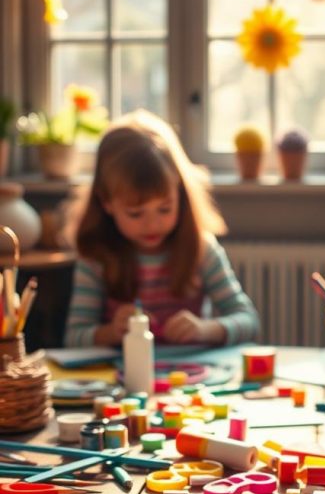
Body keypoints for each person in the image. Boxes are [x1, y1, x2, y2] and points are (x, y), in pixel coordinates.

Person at [64, 109, 260, 348]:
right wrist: (111, 332)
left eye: (165, 209)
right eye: (135, 213)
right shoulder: (96, 257)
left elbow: (249, 321)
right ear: (106, 202)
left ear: (180, 192)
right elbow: (73, 337)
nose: (152, 224)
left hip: (193, 379)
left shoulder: (201, 249)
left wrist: (205, 329)